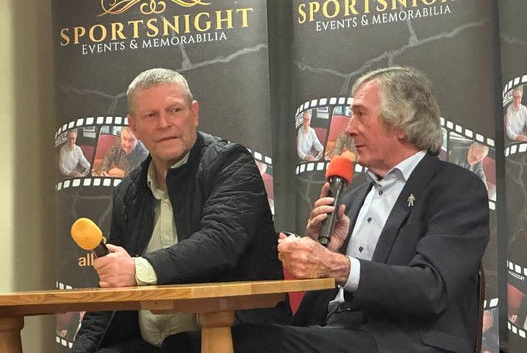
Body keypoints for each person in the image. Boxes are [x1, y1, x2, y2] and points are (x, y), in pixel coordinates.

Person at [229, 67, 490, 352]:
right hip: (335, 333)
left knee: (244, 344)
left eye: (361, 114)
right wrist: (324, 251)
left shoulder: (457, 189)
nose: (349, 129)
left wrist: (337, 265)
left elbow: (431, 287)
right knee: (205, 340)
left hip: (403, 340)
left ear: (402, 124)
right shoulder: (351, 200)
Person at [72, 68, 289, 353]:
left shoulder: (231, 164)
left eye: (174, 110)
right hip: (150, 346)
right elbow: (113, 292)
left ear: (194, 113)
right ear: (133, 126)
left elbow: (219, 242)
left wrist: (138, 270)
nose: (164, 124)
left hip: (234, 337)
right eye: (151, 115)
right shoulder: (129, 191)